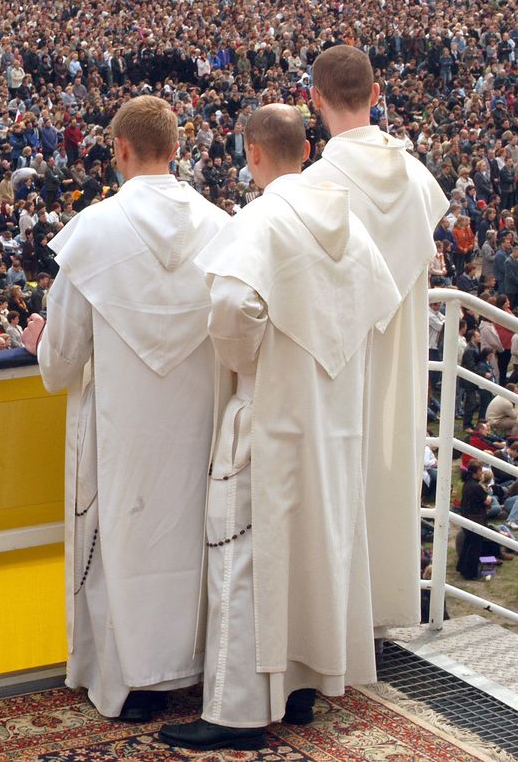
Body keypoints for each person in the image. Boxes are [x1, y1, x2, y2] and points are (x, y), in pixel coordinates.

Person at [160, 105, 399, 750]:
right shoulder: (344, 218)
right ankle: (297, 690)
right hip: (332, 417)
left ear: (253, 154)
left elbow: (235, 303)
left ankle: (235, 713)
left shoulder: (262, 219)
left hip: (268, 411)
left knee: (242, 554)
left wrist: (244, 363)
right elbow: (379, 301)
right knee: (311, 551)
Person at [25, 96, 229, 722]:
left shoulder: (96, 230)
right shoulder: (222, 227)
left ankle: (133, 683)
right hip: (200, 422)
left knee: (123, 539)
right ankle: (190, 666)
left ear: (120, 150)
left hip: (120, 425)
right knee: (187, 533)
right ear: (177, 149)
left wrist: (38, 344)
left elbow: (60, 366)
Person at [301, 45, 449, 641]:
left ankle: (338, 616)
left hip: (340, 357)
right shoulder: (417, 177)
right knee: (390, 469)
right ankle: (385, 607)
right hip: (402, 357)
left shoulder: (315, 185)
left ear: (314, 100)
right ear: (377, 93)